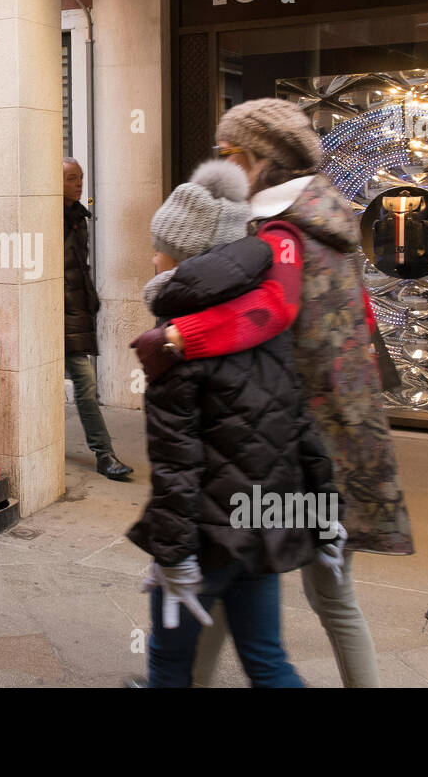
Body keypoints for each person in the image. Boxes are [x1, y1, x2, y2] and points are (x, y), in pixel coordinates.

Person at [136, 98, 414, 687]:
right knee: (238, 579)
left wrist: (178, 337)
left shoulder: (282, 229)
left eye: (230, 153)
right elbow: (362, 319)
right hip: (326, 429)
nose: (224, 163)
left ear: (260, 159)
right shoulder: (329, 220)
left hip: (303, 443)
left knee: (326, 599)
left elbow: (274, 308)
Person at [128, 160, 341, 687]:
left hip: (206, 533)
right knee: (267, 658)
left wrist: (173, 555)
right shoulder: (260, 323)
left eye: (159, 245)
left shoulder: (179, 340)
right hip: (267, 518)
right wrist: (325, 511)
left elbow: (178, 462)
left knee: (170, 662)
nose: (151, 255)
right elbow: (299, 427)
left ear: (178, 256)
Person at [62, 157, 132, 481]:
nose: (79, 184)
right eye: (72, 179)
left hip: (76, 314)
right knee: (86, 384)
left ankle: (103, 454)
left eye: (80, 178)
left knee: (84, 384)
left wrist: (90, 301)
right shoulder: (51, 219)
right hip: (58, 315)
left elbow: (81, 269)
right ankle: (104, 454)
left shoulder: (79, 218)